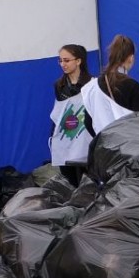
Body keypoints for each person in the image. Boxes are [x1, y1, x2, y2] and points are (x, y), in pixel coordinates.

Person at [80, 33, 139, 133]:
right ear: (131, 58)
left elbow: (88, 122)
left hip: (103, 144)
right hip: (128, 144)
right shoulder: (133, 86)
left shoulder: (92, 86)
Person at [49, 43, 91, 185]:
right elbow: (59, 113)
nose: (62, 64)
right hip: (66, 139)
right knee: (70, 181)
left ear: (78, 61)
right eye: (60, 60)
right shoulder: (59, 85)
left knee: (87, 181)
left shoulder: (92, 85)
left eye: (66, 60)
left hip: (86, 141)